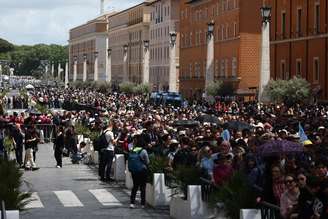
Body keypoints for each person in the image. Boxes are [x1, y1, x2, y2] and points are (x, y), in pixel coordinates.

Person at [128, 134, 150, 209]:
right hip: (142, 170)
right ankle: (142, 204)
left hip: (134, 171)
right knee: (143, 187)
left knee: (135, 186)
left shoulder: (133, 150)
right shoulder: (143, 151)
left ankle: (132, 203)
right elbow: (147, 162)